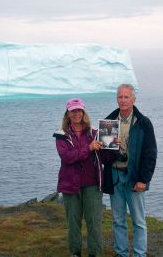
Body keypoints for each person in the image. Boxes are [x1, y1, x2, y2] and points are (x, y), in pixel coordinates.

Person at [102, 84, 157, 257]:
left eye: (126, 97)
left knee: (139, 221)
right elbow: (104, 156)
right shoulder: (109, 121)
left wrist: (144, 179)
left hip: (135, 178)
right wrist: (112, 148)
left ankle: (140, 254)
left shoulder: (143, 123)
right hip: (115, 175)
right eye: (120, 97)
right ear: (116, 99)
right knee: (118, 219)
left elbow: (150, 154)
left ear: (134, 99)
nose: (123, 100)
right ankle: (121, 253)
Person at [53, 98, 108, 257]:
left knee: (94, 223)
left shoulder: (95, 133)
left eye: (79, 110)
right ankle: (75, 253)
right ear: (68, 113)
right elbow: (67, 157)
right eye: (73, 110)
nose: (76, 114)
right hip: (70, 185)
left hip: (92, 184)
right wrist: (89, 148)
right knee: (73, 224)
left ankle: (95, 253)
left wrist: (113, 145)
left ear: (83, 112)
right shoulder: (61, 135)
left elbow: (106, 158)